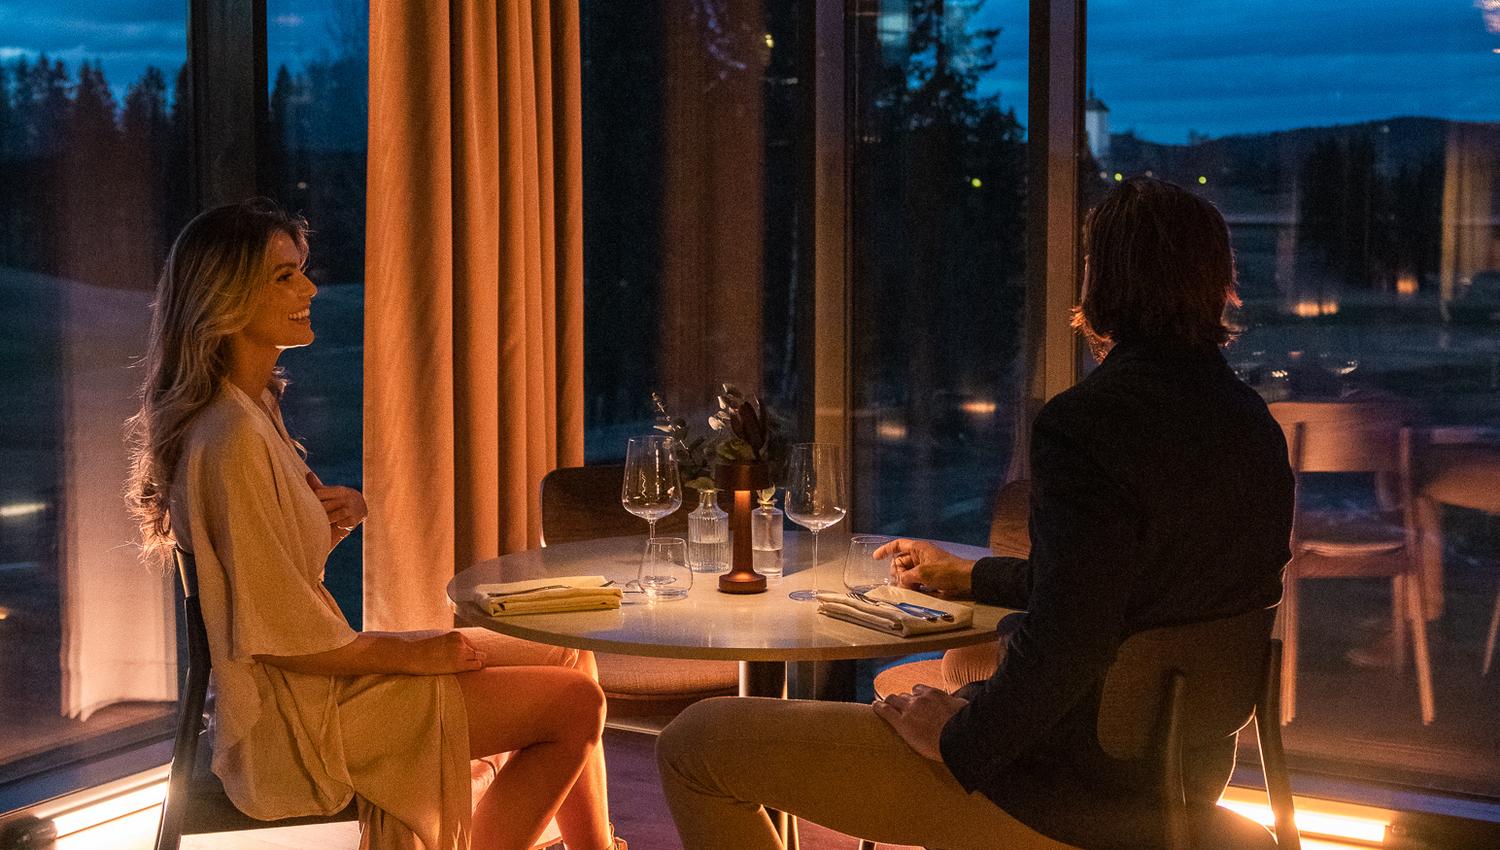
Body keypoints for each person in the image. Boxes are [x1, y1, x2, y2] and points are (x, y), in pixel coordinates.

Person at [655, 177, 1295, 849]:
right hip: (1174, 785)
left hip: (1061, 798)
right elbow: (1119, 590)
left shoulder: (1089, 422)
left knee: (694, 744)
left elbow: (1070, 641)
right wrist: (970, 575)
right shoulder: (1250, 424)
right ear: (1217, 282)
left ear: (1101, 279)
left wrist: (957, 738)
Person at [125, 199, 623, 850]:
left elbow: (269, 576)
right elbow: (278, 636)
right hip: (299, 717)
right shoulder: (231, 439)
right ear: (226, 297)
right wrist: (413, 653)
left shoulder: (252, 409)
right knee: (574, 705)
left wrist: (335, 515)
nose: (308, 288)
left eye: (300, 271)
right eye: (283, 276)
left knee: (568, 651)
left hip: (320, 677)